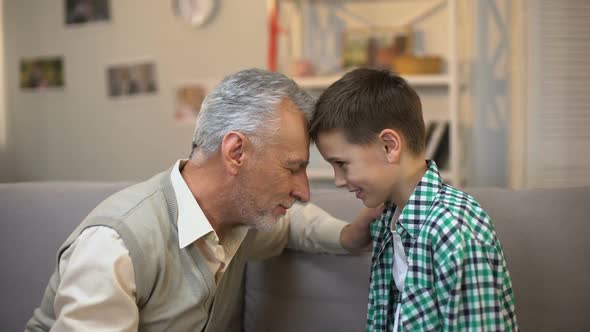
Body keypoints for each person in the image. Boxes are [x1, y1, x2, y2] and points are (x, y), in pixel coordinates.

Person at [26, 68, 374, 331]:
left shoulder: (241, 219)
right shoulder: (114, 247)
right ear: (236, 152)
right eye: (293, 168)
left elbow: (291, 224)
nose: (303, 191)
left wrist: (348, 236)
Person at [310, 68, 518, 331]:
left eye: (341, 163)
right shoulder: (387, 218)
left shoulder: (452, 230)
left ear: (389, 146)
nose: (338, 180)